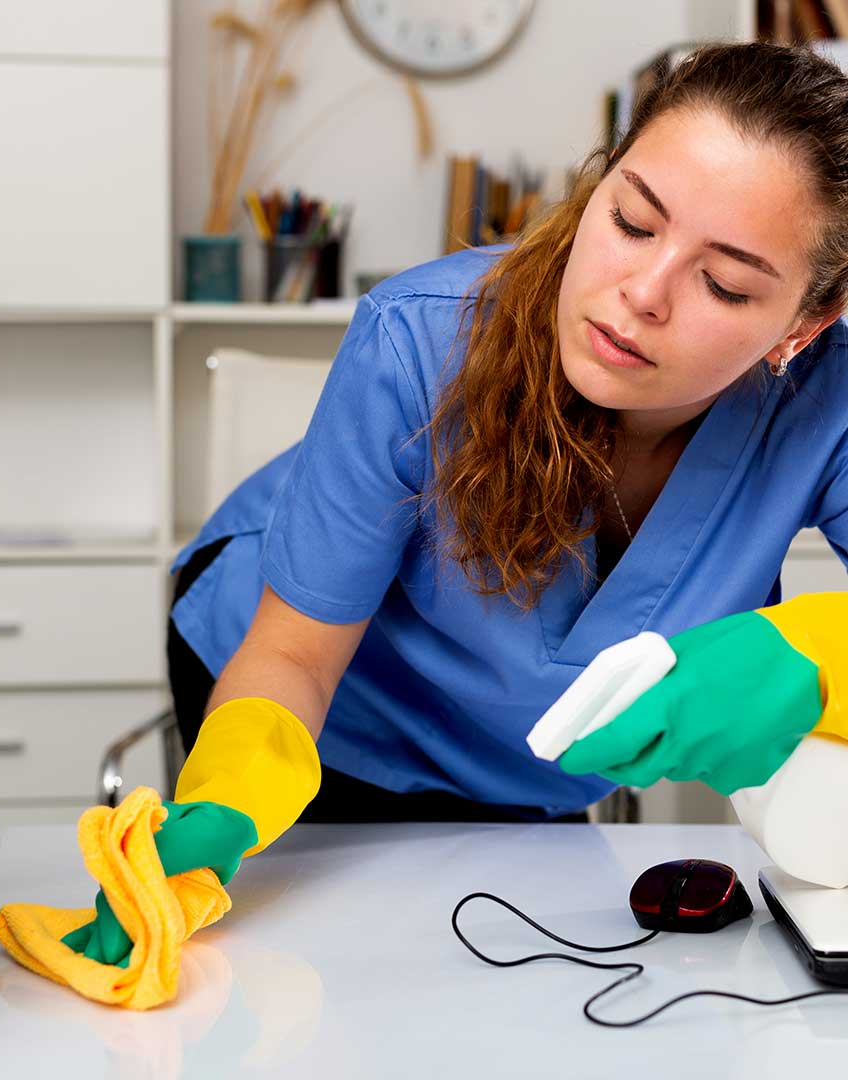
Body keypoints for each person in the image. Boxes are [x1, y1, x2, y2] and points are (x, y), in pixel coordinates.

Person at [164, 42, 848, 873]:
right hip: (311, 713)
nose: (643, 293)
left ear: (804, 325)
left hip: (525, 764)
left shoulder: (825, 404)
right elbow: (293, 653)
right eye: (632, 222)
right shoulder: (415, 338)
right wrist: (218, 812)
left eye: (724, 285)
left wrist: (818, 654)